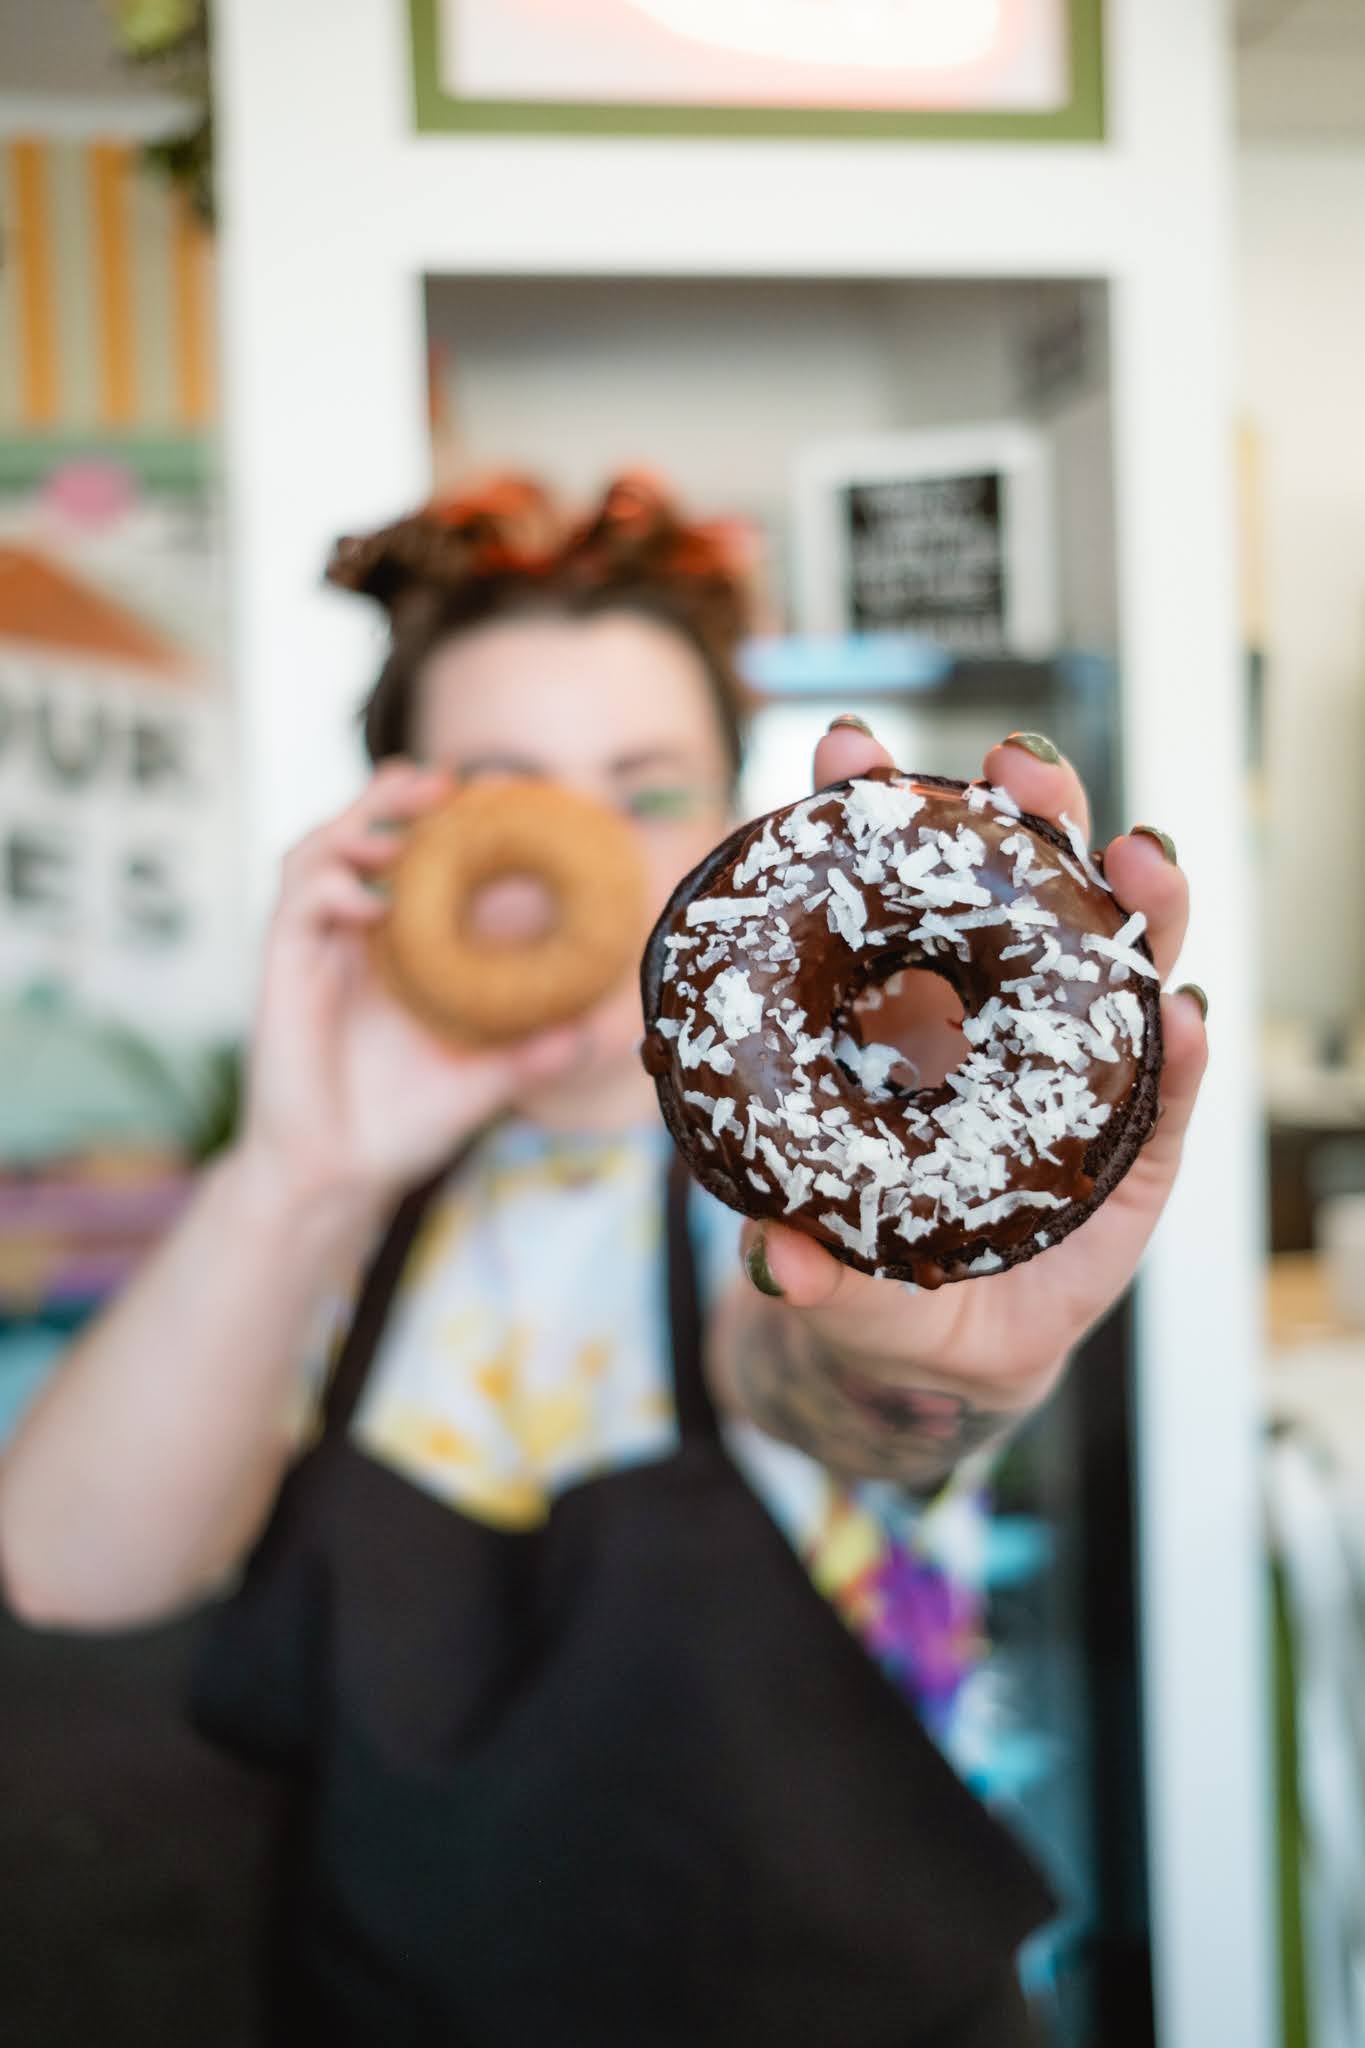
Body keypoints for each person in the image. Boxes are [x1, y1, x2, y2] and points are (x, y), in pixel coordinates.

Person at [0, 475, 1207, 2047]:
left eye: (643, 790)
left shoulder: (829, 1172)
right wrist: (300, 1168)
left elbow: (818, 1386)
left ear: (729, 819)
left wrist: (904, 1354)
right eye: (507, 785)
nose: (582, 848)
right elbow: (67, 1578)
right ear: (402, 832)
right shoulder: (343, 1202)